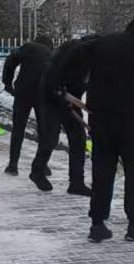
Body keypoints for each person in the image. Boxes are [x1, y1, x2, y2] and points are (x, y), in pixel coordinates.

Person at [65, 6, 134, 243]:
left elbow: (74, 57)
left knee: (102, 170)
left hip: (100, 118)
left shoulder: (104, 43)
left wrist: (68, 88)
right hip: (131, 121)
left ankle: (97, 224)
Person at [34, 35, 97, 197]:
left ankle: (76, 183)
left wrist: (93, 114)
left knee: (79, 140)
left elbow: (93, 88)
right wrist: (59, 93)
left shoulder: (94, 60)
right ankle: (37, 171)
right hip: (52, 98)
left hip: (72, 99)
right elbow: (51, 76)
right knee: (50, 139)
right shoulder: (69, 52)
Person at [2, 35, 54, 178]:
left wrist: (7, 82)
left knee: (18, 128)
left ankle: (13, 165)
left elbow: (10, 60)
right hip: (42, 93)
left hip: (23, 92)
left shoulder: (28, 48)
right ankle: (42, 165)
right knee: (44, 130)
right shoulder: (51, 53)